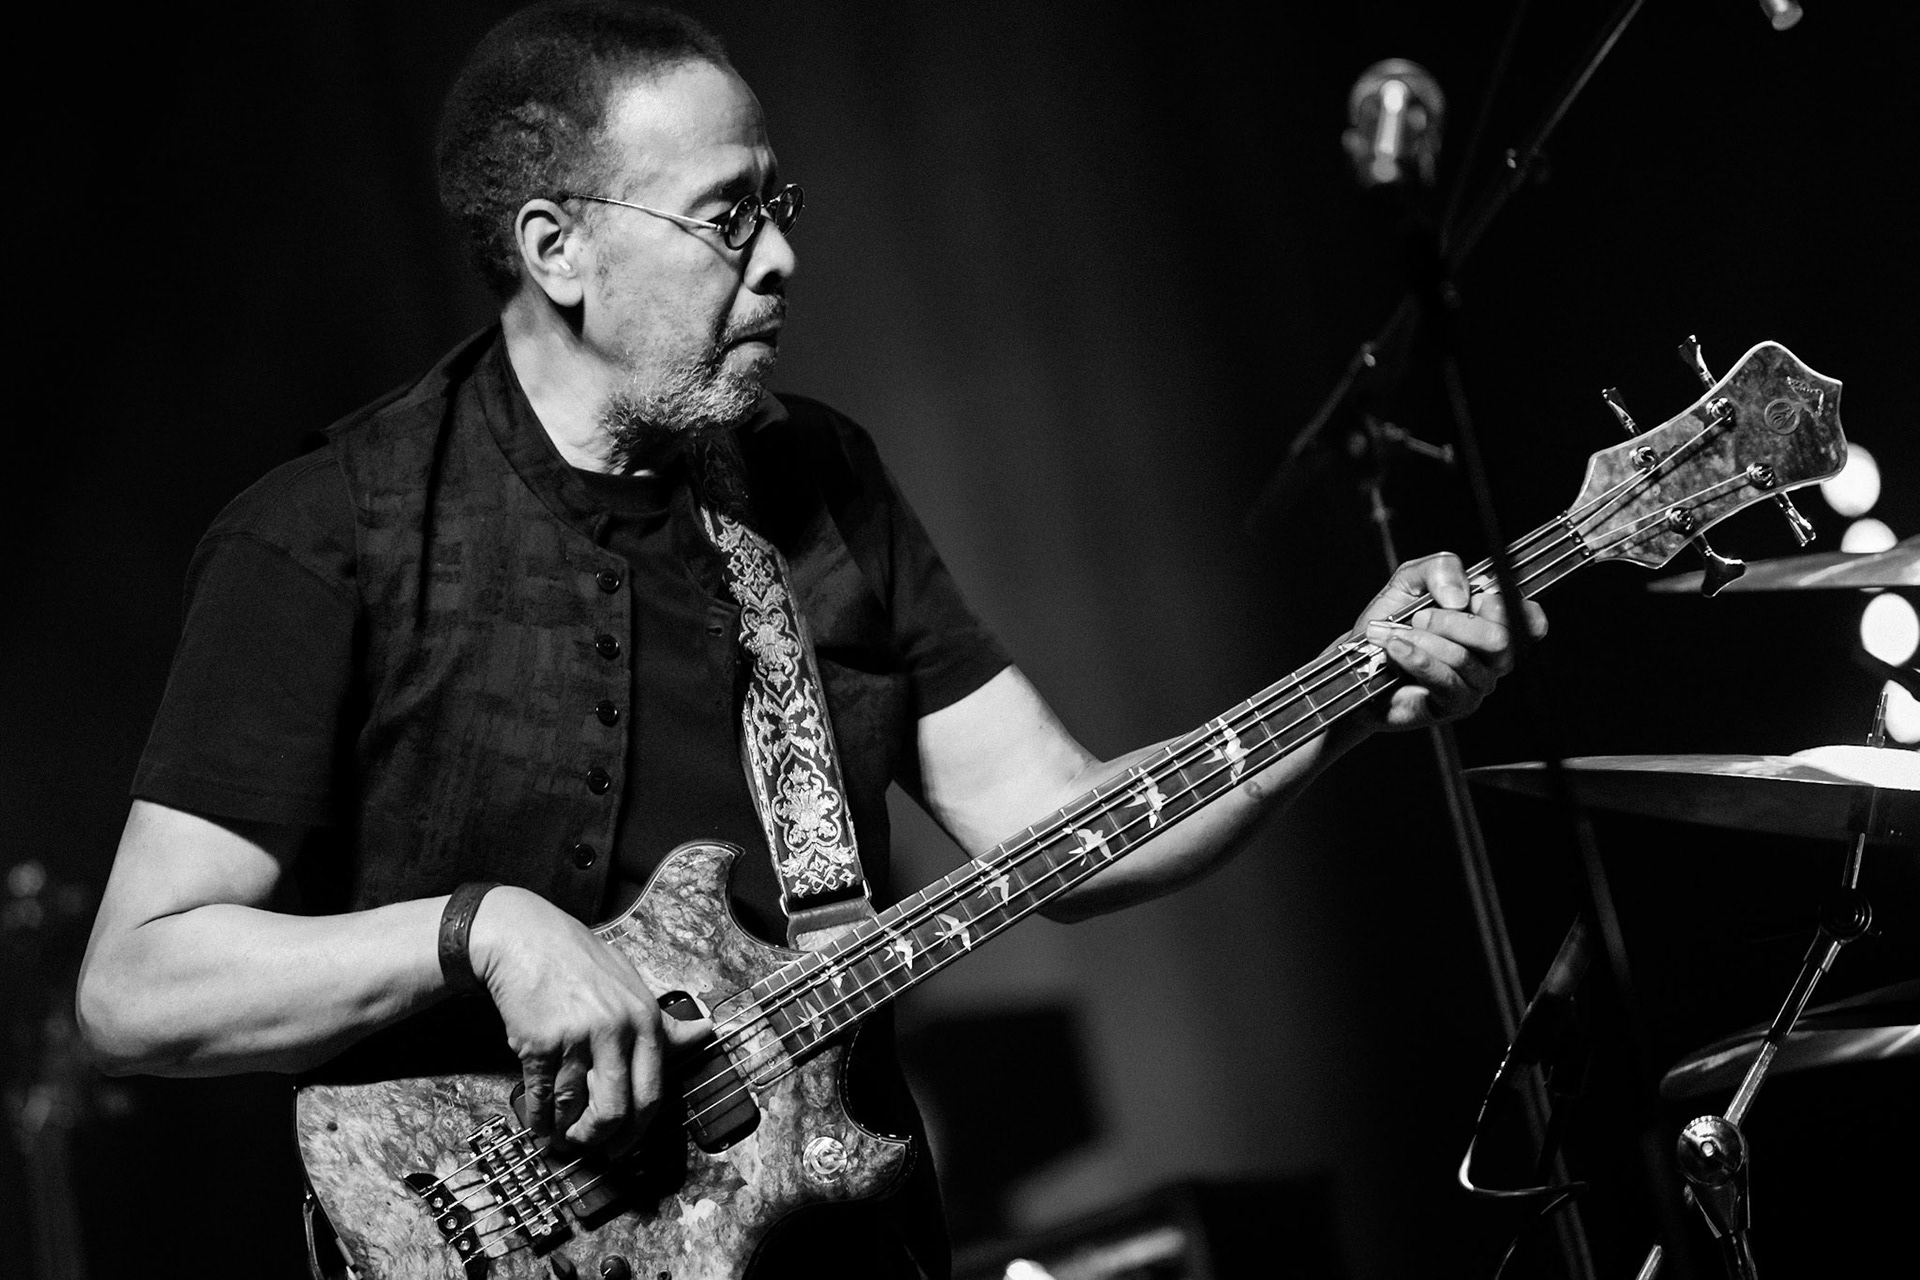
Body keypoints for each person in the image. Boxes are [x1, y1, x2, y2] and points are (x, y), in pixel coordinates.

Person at [75, 3, 1544, 1276]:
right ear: (556, 247)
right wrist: (486, 932)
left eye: (783, 205)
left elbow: (1057, 824)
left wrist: (1354, 690)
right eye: (727, 218)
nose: (778, 261)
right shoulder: (332, 531)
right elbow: (139, 989)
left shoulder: (815, 481)